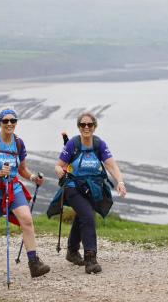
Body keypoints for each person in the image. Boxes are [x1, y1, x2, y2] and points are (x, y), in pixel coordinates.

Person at [0, 108, 50, 281]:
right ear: (0, 123)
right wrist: (0, 173)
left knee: (26, 220)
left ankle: (34, 263)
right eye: (6, 121)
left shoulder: (19, 143)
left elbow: (22, 170)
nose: (10, 124)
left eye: (13, 121)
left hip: (13, 188)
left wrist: (34, 177)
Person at [51, 112, 127, 274]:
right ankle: (90, 259)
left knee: (82, 216)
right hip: (73, 187)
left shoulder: (99, 144)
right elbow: (58, 165)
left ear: (94, 127)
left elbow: (111, 165)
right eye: (83, 125)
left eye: (89, 125)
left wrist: (120, 182)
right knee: (87, 216)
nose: (86, 127)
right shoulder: (73, 144)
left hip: (92, 188)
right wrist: (59, 171)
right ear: (79, 127)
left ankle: (72, 251)